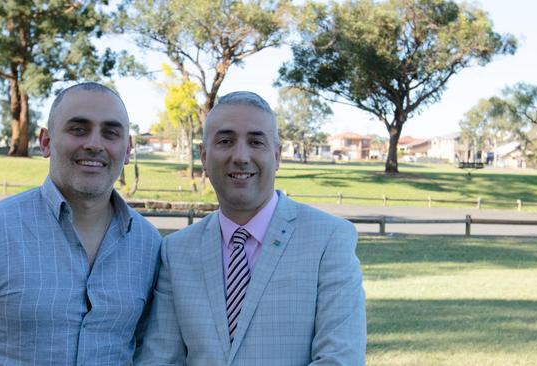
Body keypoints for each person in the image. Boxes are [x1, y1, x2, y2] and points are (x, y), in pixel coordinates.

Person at [0, 82, 161, 365]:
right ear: (45, 142)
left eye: (111, 133)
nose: (95, 144)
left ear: (128, 149)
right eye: (78, 129)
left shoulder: (148, 244)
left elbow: (145, 344)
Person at [136, 91, 366, 365]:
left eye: (256, 142)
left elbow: (339, 359)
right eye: (225, 141)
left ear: (277, 155)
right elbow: (160, 359)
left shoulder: (329, 239)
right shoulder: (176, 251)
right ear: (204, 156)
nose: (241, 156)